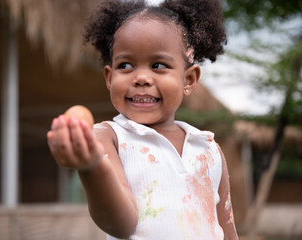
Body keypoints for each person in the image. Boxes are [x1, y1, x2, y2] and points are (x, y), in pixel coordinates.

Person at [47, 0, 239, 239]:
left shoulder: (209, 149)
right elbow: (120, 225)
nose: (141, 78)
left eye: (158, 65)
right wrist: (91, 167)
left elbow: (227, 229)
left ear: (188, 80)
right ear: (109, 77)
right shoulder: (108, 138)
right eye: (125, 65)